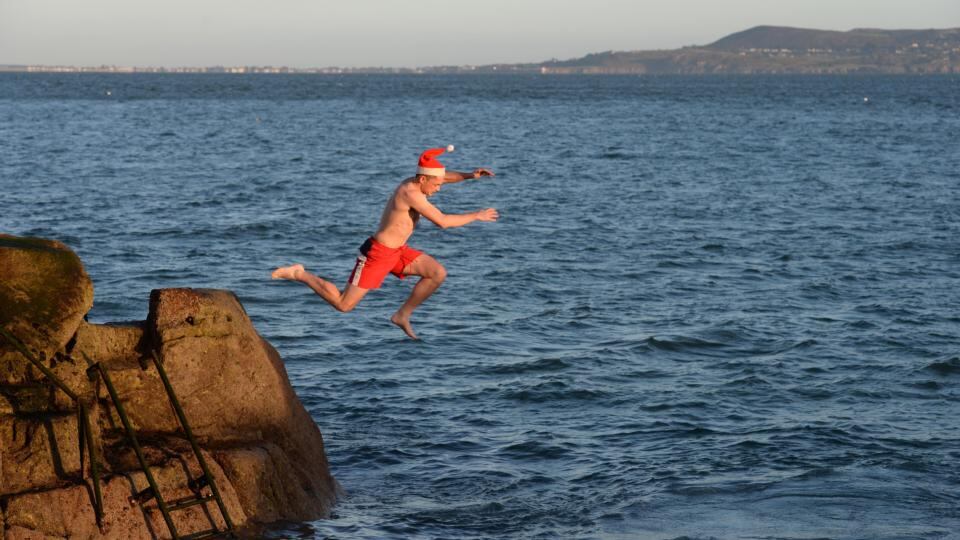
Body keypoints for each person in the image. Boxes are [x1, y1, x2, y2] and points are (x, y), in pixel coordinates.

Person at [271, 145, 497, 340]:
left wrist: (470, 175)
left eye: (440, 184)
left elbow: (446, 177)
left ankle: (402, 315)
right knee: (343, 305)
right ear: (422, 179)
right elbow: (443, 222)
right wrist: (476, 215)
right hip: (377, 254)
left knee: (436, 273)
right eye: (436, 185)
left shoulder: (421, 181)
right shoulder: (411, 193)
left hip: (397, 252)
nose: (439, 188)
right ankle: (299, 274)